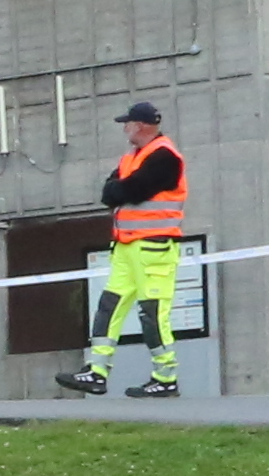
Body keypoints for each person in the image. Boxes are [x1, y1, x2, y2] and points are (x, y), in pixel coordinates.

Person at [56, 97, 191, 398]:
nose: (124, 129)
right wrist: (121, 190)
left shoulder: (165, 157)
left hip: (153, 249)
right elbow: (111, 192)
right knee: (109, 307)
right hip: (127, 247)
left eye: (127, 123)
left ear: (140, 125)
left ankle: (165, 377)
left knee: (153, 314)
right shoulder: (133, 157)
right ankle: (97, 372)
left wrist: (121, 190)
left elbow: (130, 189)